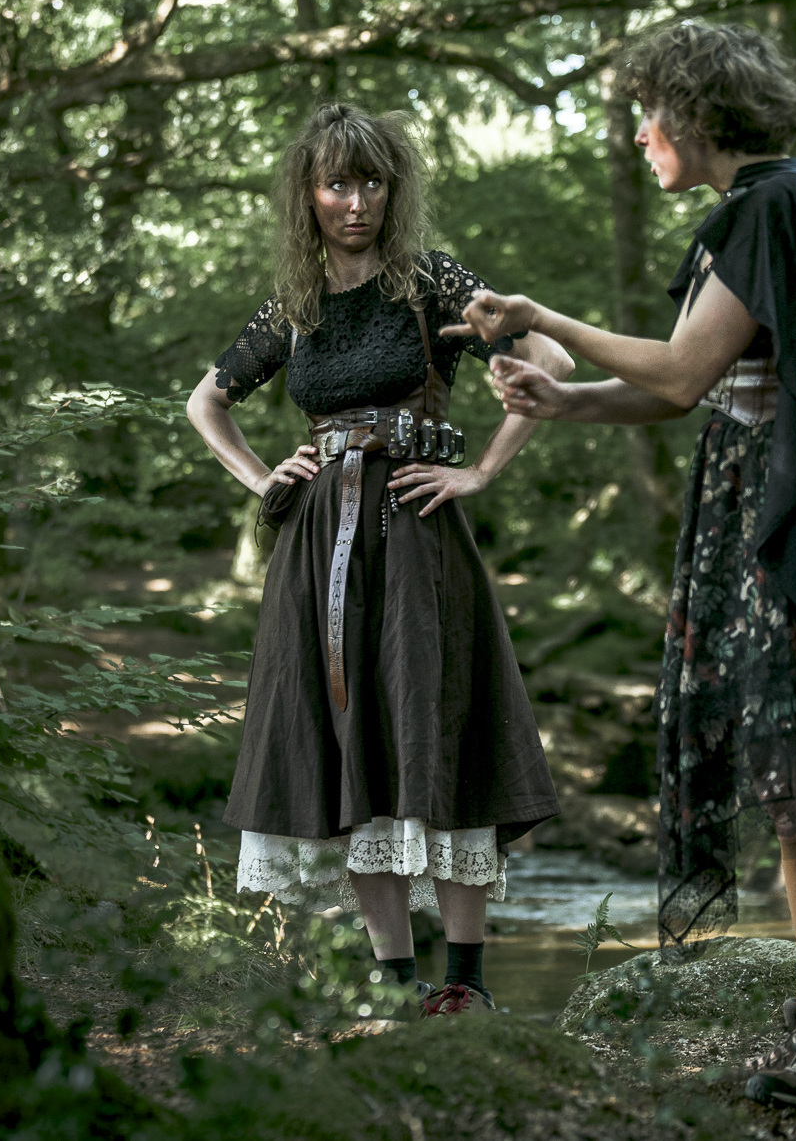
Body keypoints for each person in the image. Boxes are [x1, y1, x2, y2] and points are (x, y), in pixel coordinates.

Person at [445, 23, 796, 1106]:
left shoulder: (775, 206)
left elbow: (684, 364)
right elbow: (675, 391)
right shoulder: (763, 211)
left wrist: (543, 318)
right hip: (775, 528)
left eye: (646, 113)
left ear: (694, 118)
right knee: (793, 789)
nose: (637, 135)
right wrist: (565, 398)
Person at [187, 102, 569, 1016]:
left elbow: (544, 353)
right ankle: (397, 985)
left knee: (437, 723)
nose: (354, 202)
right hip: (320, 548)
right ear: (308, 195)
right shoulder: (297, 303)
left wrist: (479, 470)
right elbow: (206, 402)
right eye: (335, 184)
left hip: (418, 536)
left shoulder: (430, 283)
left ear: (392, 188)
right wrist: (262, 480)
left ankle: (467, 985)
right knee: (351, 738)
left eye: (370, 182)